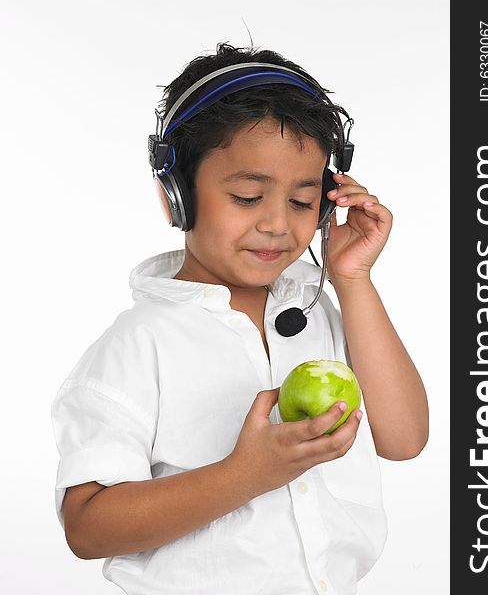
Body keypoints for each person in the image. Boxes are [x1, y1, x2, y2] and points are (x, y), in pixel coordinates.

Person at [51, 42, 429, 595]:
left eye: (303, 202)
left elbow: (404, 438)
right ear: (176, 197)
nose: (278, 224)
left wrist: (352, 279)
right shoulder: (139, 344)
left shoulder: (320, 309)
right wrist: (247, 475)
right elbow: (88, 528)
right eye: (249, 196)